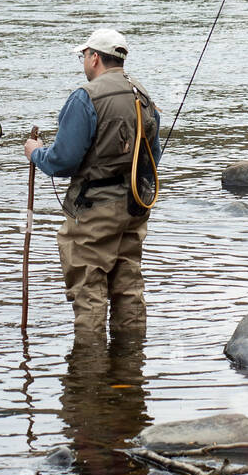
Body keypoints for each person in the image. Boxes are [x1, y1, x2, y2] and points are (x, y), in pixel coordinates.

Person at [24, 28, 161, 341]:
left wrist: (35, 153)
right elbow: (153, 158)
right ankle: (129, 367)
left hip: (94, 209)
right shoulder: (142, 95)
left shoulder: (86, 97)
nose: (83, 62)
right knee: (128, 286)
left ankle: (89, 369)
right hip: (135, 205)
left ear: (95, 57)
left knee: (89, 288)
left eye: (83, 56)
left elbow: (63, 161)